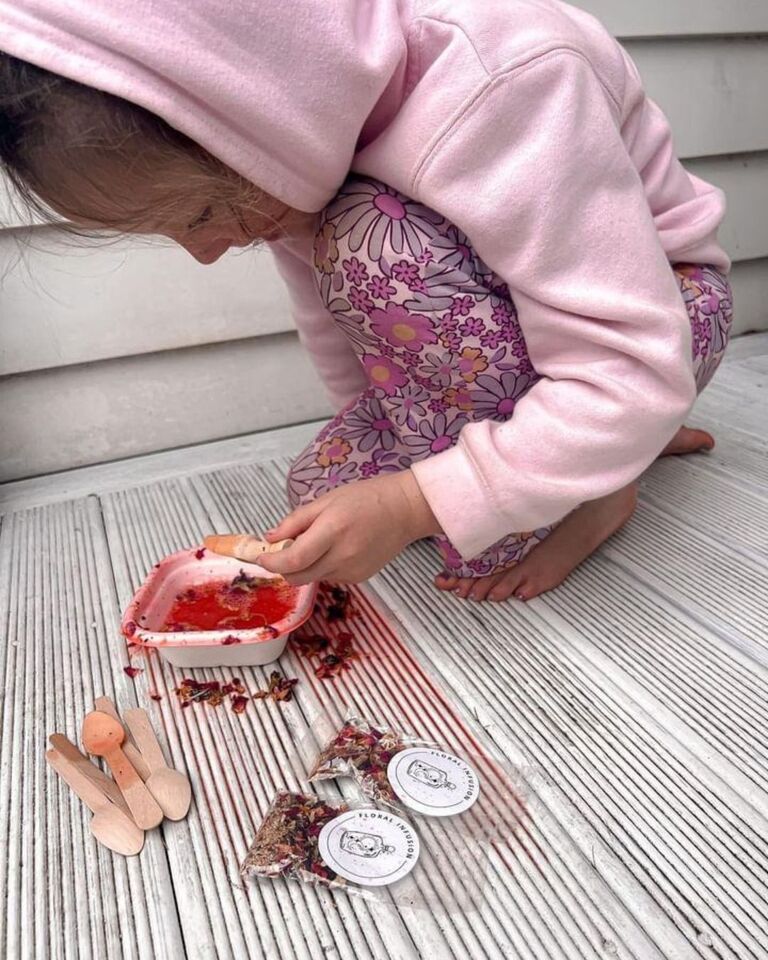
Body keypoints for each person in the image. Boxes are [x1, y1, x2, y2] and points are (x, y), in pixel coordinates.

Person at [0, 0, 732, 602]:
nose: (205, 253)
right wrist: (387, 466)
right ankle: (596, 440)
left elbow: (631, 354)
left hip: (662, 321)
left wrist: (417, 501)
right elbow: (337, 320)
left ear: (257, 106)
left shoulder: (510, 77)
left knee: (369, 243)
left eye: (199, 217)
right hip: (533, 345)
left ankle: (604, 484)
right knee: (319, 493)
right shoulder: (303, 139)